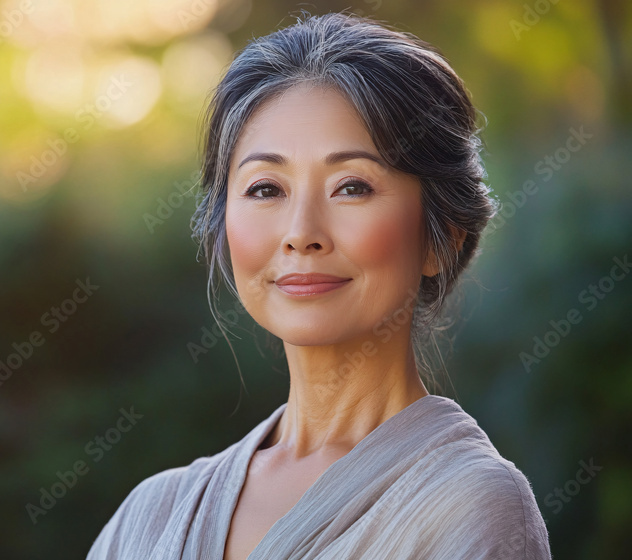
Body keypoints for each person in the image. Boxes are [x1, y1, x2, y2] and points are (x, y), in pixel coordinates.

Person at [86, 11, 552, 560]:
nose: (301, 233)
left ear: (440, 238)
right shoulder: (150, 516)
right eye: (265, 189)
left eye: (351, 186)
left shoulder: (466, 506)